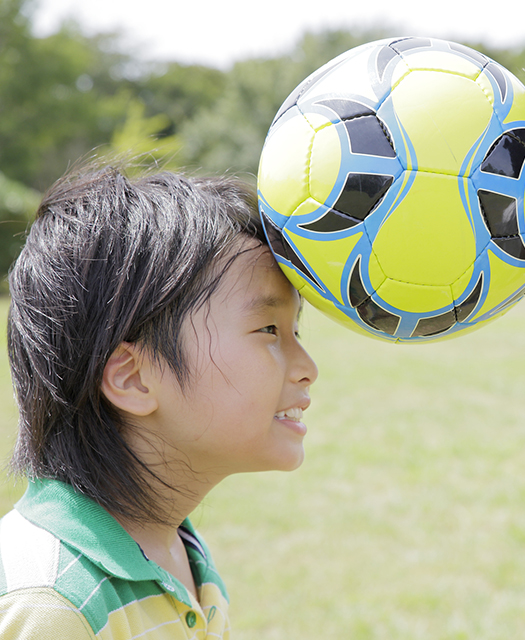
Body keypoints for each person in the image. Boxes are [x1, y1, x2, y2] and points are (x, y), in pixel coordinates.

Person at [1, 161, 318, 638]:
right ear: (134, 378)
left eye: (295, 330)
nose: (308, 367)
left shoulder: (177, 549)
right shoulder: (53, 606)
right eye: (268, 329)